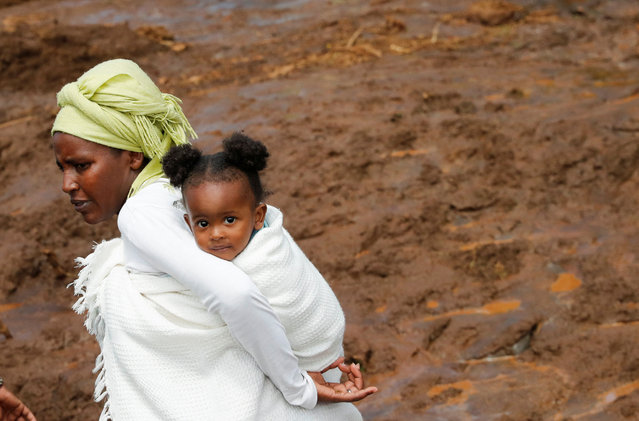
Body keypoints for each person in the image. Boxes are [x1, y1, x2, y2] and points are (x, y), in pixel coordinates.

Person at [52, 59, 375, 420]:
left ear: (132, 156)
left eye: (81, 165)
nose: (68, 183)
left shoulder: (141, 214)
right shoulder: (182, 191)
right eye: (62, 168)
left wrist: (296, 386)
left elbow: (235, 293)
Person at [162, 134, 352, 387]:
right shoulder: (252, 237)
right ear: (189, 223)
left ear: (259, 216)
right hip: (331, 348)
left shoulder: (266, 258)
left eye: (229, 220)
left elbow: (256, 313)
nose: (216, 234)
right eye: (203, 223)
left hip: (314, 357)